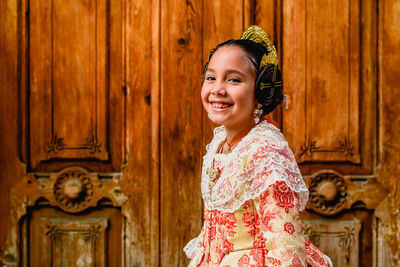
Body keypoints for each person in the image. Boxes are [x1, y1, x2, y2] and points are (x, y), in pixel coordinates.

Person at [183, 26, 333, 267]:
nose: (218, 89)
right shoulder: (222, 142)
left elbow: (284, 238)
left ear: (261, 90)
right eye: (211, 77)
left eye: (233, 79)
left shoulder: (265, 150)